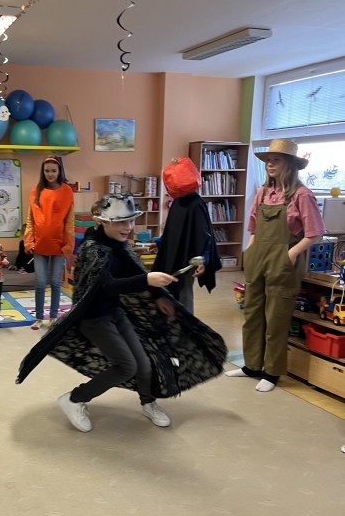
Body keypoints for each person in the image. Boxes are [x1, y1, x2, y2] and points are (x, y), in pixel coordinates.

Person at [17, 193, 228, 433]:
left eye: (130, 220)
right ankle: (74, 399)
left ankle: (148, 402)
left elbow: (131, 270)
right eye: (120, 222)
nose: (128, 227)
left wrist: (158, 295)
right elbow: (106, 285)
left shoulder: (118, 245)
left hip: (116, 313)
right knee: (126, 366)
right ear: (102, 222)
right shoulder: (92, 249)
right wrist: (147, 280)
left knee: (144, 363)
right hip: (93, 319)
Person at [226, 139, 325, 392]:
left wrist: (291, 253)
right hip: (257, 258)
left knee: (276, 318)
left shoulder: (302, 195)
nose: (270, 164)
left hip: (283, 261)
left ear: (290, 164)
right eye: (268, 160)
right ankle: (251, 366)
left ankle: (271, 372)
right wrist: (250, 250)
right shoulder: (262, 193)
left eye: (276, 160)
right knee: (251, 314)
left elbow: (315, 232)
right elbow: (253, 227)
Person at [153, 157, 222, 314]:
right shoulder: (177, 203)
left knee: (183, 292)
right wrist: (160, 242)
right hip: (174, 255)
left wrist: (203, 259)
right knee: (171, 289)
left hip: (188, 259)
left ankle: (187, 323)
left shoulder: (196, 204)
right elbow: (174, 231)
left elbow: (204, 235)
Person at [24, 157, 74, 330]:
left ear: (59, 171)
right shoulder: (35, 190)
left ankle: (53, 317)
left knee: (55, 282)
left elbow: (69, 221)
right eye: (47, 171)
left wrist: (68, 245)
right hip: (40, 245)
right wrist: (29, 242)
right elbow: (30, 219)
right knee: (40, 282)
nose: (50, 174)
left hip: (59, 245)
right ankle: (39, 318)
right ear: (42, 172)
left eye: (53, 170)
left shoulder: (66, 191)